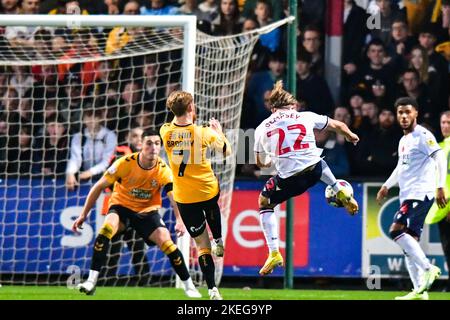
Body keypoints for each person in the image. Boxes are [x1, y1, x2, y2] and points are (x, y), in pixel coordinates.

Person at [72, 129, 201, 298]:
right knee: (105, 231)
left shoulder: (163, 169)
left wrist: (179, 219)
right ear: (141, 144)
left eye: (157, 143)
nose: (153, 147)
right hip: (121, 208)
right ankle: (91, 281)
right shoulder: (124, 163)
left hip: (147, 212)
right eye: (149, 143)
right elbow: (98, 187)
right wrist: (83, 215)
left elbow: (173, 196)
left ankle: (189, 286)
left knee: (167, 243)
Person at [254, 81, 360, 276]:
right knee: (316, 158)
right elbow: (338, 125)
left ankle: (274, 252)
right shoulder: (306, 116)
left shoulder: (262, 128)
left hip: (290, 180)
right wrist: (350, 135)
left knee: (264, 202)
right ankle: (338, 188)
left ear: (272, 108)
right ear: (292, 106)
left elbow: (260, 163)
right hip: (314, 172)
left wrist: (270, 159)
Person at [160, 91, 231, 300]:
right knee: (212, 206)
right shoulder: (204, 132)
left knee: (201, 245)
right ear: (191, 108)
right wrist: (219, 132)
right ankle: (218, 239)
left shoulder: (164, 131)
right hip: (206, 190)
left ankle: (212, 290)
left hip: (184, 197)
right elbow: (226, 151)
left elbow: (175, 122)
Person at [376, 97, 445, 300]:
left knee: (395, 231)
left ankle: (428, 268)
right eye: (400, 112)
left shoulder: (423, 135)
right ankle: (418, 292)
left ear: (416, 113)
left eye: (408, 112)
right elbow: (401, 167)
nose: (404, 116)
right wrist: (386, 186)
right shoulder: (404, 140)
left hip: (420, 194)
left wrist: (440, 186)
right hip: (407, 194)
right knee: (409, 243)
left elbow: (440, 157)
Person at [425, 111, 450, 292]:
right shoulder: (440, 147)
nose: (445, 126)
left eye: (449, 122)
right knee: (447, 247)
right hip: (441, 207)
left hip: (448, 206)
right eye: (443, 122)